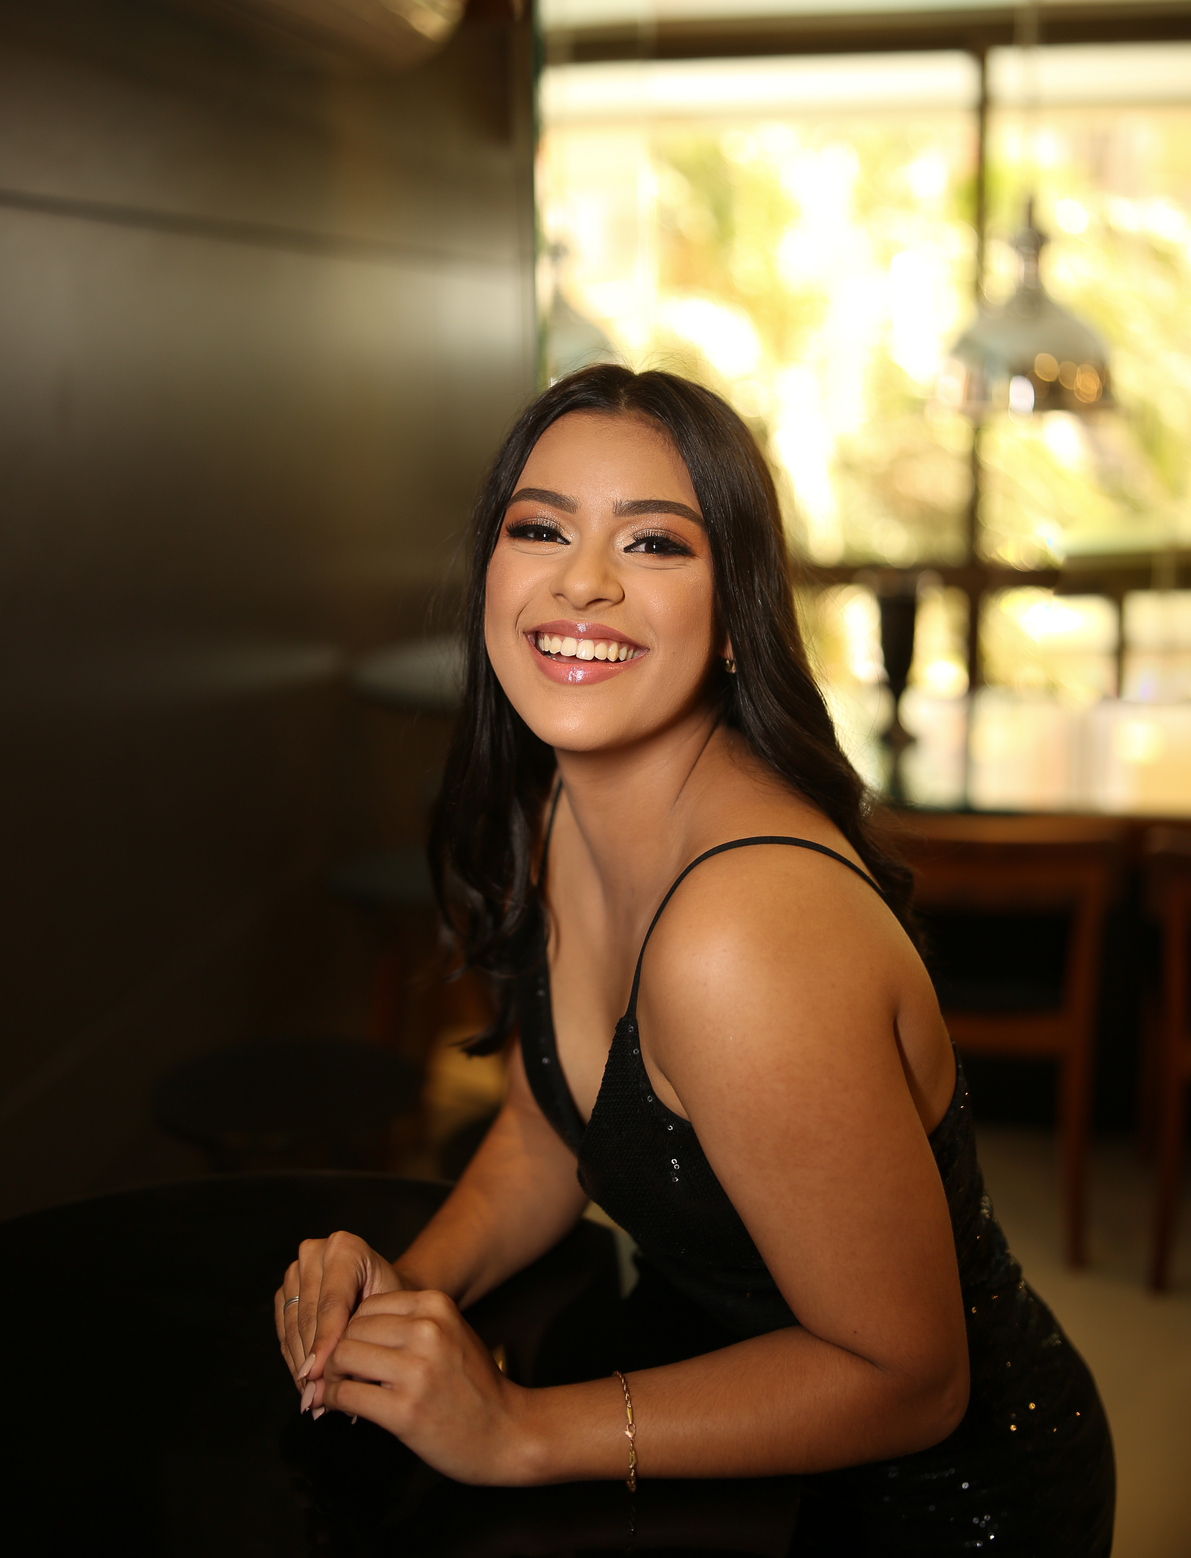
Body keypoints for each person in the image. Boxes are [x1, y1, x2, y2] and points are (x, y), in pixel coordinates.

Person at [276, 365, 1114, 1554]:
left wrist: (517, 1429)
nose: (583, 579)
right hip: (713, 1423)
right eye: (540, 528)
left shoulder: (743, 936)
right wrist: (404, 1294)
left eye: (654, 542)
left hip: (928, 1507)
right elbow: (550, 1129)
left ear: (733, 619)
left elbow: (912, 1380)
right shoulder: (563, 808)